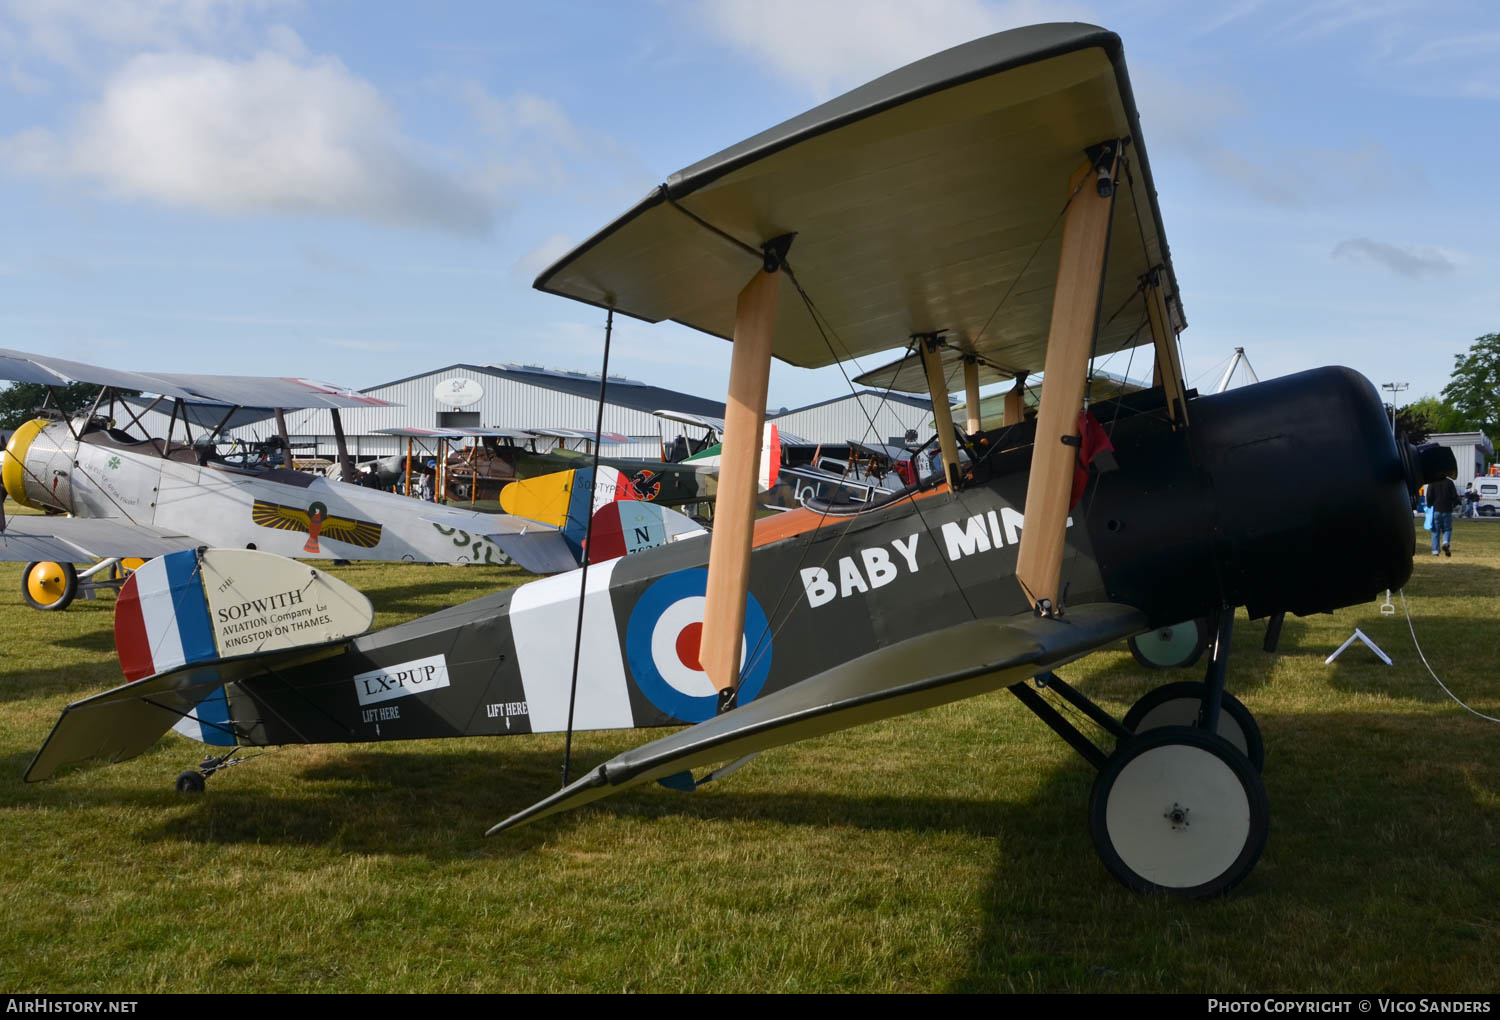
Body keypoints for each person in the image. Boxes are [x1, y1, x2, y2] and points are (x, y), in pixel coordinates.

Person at [1427, 473, 1460, 557]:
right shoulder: (1449, 483)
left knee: (1435, 531)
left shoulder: (1432, 482)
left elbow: (1429, 496)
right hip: (1447, 509)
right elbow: (1454, 496)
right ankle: (1445, 542)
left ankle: (1435, 551)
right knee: (1447, 529)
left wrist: (1429, 505)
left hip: (1435, 510)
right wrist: (1454, 504)